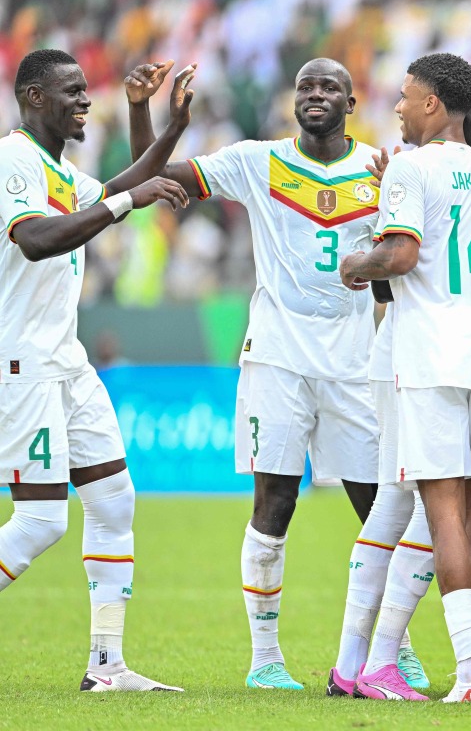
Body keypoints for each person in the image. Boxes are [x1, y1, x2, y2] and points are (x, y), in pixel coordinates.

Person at [131, 58, 383, 690]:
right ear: (290, 101)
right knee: (275, 501)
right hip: (277, 354)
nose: (316, 94)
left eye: (329, 87)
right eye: (306, 86)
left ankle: (390, 649)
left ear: (351, 102)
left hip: (357, 360)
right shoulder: (255, 159)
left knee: (379, 511)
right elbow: (153, 176)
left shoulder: (384, 169)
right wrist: (148, 114)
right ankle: (265, 661)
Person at [0, 49, 192, 692]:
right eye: (71, 91)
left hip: (66, 359)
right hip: (21, 361)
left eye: (86, 91)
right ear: (33, 97)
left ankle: (107, 668)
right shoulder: (15, 159)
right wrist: (124, 201)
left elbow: (122, 189)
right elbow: (35, 239)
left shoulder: (60, 169)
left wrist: (164, 124)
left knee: (114, 501)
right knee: (41, 522)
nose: (86, 100)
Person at [338, 53, 471, 703]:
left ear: (434, 105)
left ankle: (469, 673)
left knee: (442, 513)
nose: (400, 108)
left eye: (407, 97)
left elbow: (401, 255)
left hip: (431, 354)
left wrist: (356, 263)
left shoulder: (410, 167)